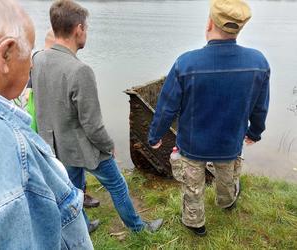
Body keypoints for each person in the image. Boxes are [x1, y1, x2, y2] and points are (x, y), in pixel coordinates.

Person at [31, 0, 163, 233]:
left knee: (73, 189)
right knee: (118, 185)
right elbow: (91, 124)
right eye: (87, 28)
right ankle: (139, 229)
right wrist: (108, 145)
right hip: (81, 146)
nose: (86, 33)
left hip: (56, 146)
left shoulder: (38, 59)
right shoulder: (79, 70)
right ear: (78, 29)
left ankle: (82, 226)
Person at [148, 0, 270, 236]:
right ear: (239, 28)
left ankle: (196, 225)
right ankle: (227, 202)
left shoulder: (186, 62)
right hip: (230, 143)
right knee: (227, 178)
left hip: (193, 145)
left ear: (210, 23)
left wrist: (155, 135)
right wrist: (255, 132)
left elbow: (166, 108)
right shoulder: (258, 62)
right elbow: (260, 106)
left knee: (193, 187)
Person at [0, 0, 93, 249]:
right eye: (28, 54)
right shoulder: (14, 149)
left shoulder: (42, 62)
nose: (31, 64)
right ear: (5, 54)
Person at [26, 28, 100, 208]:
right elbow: (30, 98)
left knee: (73, 166)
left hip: (63, 130)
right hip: (49, 130)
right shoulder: (38, 63)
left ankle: (81, 194)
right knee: (61, 168)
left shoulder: (65, 66)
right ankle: (69, 200)